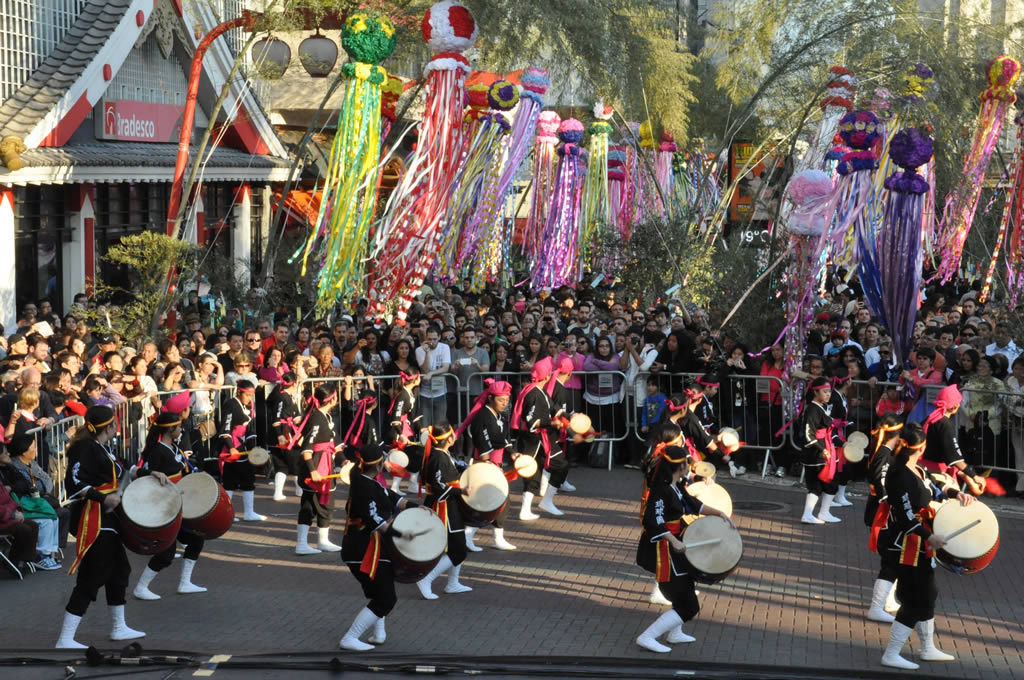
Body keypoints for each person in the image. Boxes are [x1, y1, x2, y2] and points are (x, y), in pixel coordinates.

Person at [57, 405, 170, 649]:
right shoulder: (84, 448)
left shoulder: (101, 447)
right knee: (93, 575)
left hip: (110, 519)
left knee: (119, 571)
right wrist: (103, 497)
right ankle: (65, 638)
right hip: (95, 518)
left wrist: (151, 473)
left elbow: (127, 467)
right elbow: (73, 483)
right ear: (109, 426)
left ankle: (119, 628)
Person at [878, 422, 973, 669]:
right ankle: (891, 654)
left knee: (928, 593)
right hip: (904, 545)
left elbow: (934, 485)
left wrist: (956, 494)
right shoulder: (900, 475)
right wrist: (929, 537)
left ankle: (928, 648)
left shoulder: (916, 468)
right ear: (922, 447)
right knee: (914, 598)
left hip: (918, 542)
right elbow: (905, 516)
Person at [634, 445, 735, 652]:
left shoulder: (676, 486)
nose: (689, 467)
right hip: (665, 548)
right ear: (679, 467)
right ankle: (647, 636)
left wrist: (720, 513)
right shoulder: (661, 491)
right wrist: (674, 540)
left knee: (685, 587)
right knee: (688, 604)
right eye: (686, 464)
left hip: (676, 541)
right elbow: (652, 521)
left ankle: (674, 632)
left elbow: (693, 504)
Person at [339, 443, 418, 651]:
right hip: (361, 550)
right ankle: (350, 638)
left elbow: (393, 498)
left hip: (368, 548)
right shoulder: (365, 487)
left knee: (379, 593)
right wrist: (402, 535)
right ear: (379, 465)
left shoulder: (368, 480)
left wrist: (419, 508)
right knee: (386, 598)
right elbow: (376, 521)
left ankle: (378, 634)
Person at [131, 413, 207, 600]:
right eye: (179, 427)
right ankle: (141, 588)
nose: (182, 430)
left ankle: (185, 582)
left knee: (196, 539)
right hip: (164, 508)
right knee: (167, 554)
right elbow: (144, 477)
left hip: (176, 504)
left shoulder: (173, 447)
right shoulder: (157, 451)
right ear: (170, 429)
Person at [456, 378, 517, 551]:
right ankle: (468, 535)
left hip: (495, 464)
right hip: (486, 465)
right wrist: (487, 463)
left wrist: (513, 453)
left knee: (500, 500)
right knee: (486, 501)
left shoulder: (500, 416)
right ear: (490, 398)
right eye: (500, 400)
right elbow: (482, 439)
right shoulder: (482, 416)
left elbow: (503, 439)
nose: (504, 403)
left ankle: (496, 537)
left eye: (506, 400)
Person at [415, 422, 474, 599]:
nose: (456, 435)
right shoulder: (438, 458)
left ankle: (453, 583)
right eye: (453, 433)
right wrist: (461, 490)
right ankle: (426, 579)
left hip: (449, 505)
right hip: (444, 506)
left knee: (457, 546)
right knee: (458, 549)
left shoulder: (442, 454)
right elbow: (438, 486)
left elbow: (457, 465)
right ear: (449, 438)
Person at [863, 414, 903, 622]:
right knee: (891, 559)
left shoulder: (885, 452)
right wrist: (890, 500)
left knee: (895, 557)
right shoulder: (883, 454)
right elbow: (880, 481)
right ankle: (877, 605)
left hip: (883, 510)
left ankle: (887, 600)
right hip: (881, 511)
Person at [294, 385, 343, 555]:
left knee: (315, 504)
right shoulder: (316, 418)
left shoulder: (326, 416)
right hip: (317, 465)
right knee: (317, 504)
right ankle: (307, 543)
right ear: (332, 399)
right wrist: (312, 470)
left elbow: (335, 443)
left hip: (325, 462)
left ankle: (317, 542)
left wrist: (344, 462)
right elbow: (307, 447)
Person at [511, 357, 555, 521]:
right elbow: (531, 421)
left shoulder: (535, 389)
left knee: (543, 468)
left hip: (534, 439)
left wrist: (564, 416)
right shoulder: (535, 393)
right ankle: (524, 510)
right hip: (532, 439)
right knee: (532, 475)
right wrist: (552, 422)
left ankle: (533, 502)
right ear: (548, 375)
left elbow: (552, 407)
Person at [921, 385, 986, 494]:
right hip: (936, 472)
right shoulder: (945, 424)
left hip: (922, 467)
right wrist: (974, 476)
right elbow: (954, 456)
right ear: (955, 406)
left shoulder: (930, 418)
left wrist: (963, 473)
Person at [215, 379, 265, 522]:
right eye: (247, 395)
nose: (250, 398)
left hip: (243, 448)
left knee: (245, 479)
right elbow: (225, 428)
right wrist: (231, 447)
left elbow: (250, 429)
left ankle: (247, 513)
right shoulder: (231, 405)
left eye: (251, 396)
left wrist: (253, 447)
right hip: (232, 448)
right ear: (239, 392)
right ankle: (226, 515)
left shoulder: (249, 405)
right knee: (232, 481)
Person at [798, 377, 843, 524]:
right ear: (816, 392)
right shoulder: (812, 409)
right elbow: (808, 434)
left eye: (829, 391)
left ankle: (818, 513)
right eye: (825, 391)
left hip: (825, 449)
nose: (828, 394)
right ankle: (816, 513)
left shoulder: (821, 407)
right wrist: (822, 449)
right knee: (821, 483)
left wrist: (839, 442)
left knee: (823, 483)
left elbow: (828, 431)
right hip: (817, 454)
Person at [385, 368, 424, 496]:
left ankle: (413, 484)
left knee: (417, 456)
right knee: (401, 458)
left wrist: (421, 428)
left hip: (406, 429)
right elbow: (395, 417)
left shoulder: (410, 393)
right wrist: (400, 434)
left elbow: (414, 416)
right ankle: (395, 486)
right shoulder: (402, 395)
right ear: (415, 379)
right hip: (399, 431)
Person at [266, 372, 301, 501]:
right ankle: (298, 489)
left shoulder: (289, 397)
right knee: (294, 461)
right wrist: (280, 435)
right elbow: (276, 418)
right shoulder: (282, 397)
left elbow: (295, 415)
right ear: (295, 383)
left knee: (283, 464)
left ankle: (280, 492)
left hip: (288, 431)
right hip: (282, 433)